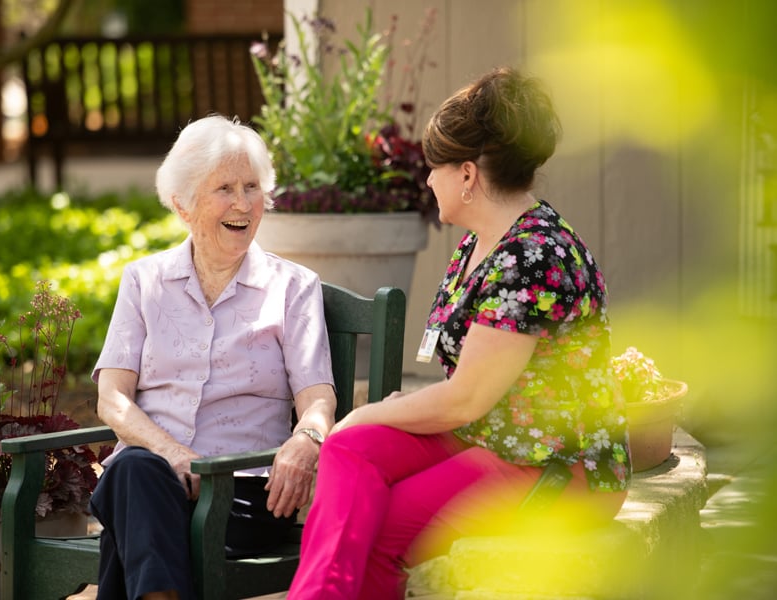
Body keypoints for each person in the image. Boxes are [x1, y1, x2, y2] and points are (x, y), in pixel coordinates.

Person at [287, 67, 631, 599]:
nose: (428, 180)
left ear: (467, 174)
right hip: (492, 436)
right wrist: (364, 424)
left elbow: (465, 398)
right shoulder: (480, 243)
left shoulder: (533, 256)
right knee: (351, 448)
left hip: (554, 465)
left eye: (435, 168)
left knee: (377, 527)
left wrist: (365, 410)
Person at [90, 114, 337, 600]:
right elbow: (111, 400)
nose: (243, 204)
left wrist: (307, 440)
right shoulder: (144, 281)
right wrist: (176, 455)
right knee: (136, 472)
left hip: (239, 494)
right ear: (183, 205)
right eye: (225, 187)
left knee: (132, 508)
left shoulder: (293, 288)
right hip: (151, 479)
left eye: (252, 186)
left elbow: (318, 399)